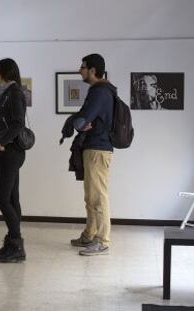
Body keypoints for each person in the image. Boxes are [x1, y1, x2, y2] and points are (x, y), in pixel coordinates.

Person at [70, 54, 116, 256]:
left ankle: (103, 241)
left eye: (83, 67)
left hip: (98, 149)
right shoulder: (100, 91)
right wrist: (82, 122)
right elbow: (83, 121)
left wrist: (80, 122)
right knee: (90, 197)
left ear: (93, 70)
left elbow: (81, 122)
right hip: (93, 148)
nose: (80, 70)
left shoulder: (100, 93)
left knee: (99, 197)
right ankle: (89, 234)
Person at [0, 58, 27, 262]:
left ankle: (16, 243)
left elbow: (18, 123)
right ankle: (12, 244)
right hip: (9, 153)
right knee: (11, 199)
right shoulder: (10, 92)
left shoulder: (14, 93)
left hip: (11, 152)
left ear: (4, 72)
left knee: (1, 199)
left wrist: (1, 142)